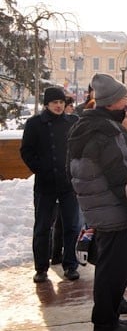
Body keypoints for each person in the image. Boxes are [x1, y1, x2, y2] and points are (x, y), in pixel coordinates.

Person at [67, 73, 127, 331]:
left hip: (96, 206)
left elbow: (72, 170)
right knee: (113, 268)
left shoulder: (82, 126)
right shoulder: (107, 132)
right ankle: (105, 323)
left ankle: (107, 318)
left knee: (108, 266)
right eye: (123, 100)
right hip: (112, 209)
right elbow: (122, 175)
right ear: (112, 104)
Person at [20, 86, 80, 282]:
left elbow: (80, 148)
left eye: (62, 102)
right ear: (47, 104)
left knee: (71, 226)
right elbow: (26, 151)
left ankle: (70, 265)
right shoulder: (35, 123)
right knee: (43, 227)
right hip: (45, 184)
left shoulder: (72, 121)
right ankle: (41, 268)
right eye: (55, 102)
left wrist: (74, 169)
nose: (59, 106)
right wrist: (41, 168)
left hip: (68, 183)